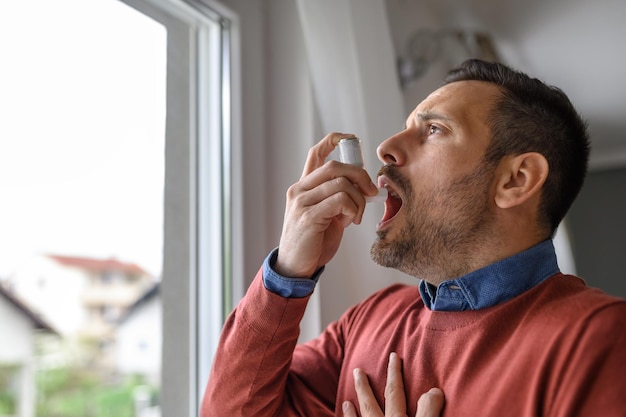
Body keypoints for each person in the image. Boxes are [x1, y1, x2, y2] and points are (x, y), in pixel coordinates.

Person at [201, 59, 626, 417]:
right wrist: (289, 271)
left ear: (516, 180)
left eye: (434, 130)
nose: (386, 147)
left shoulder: (600, 340)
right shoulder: (366, 322)